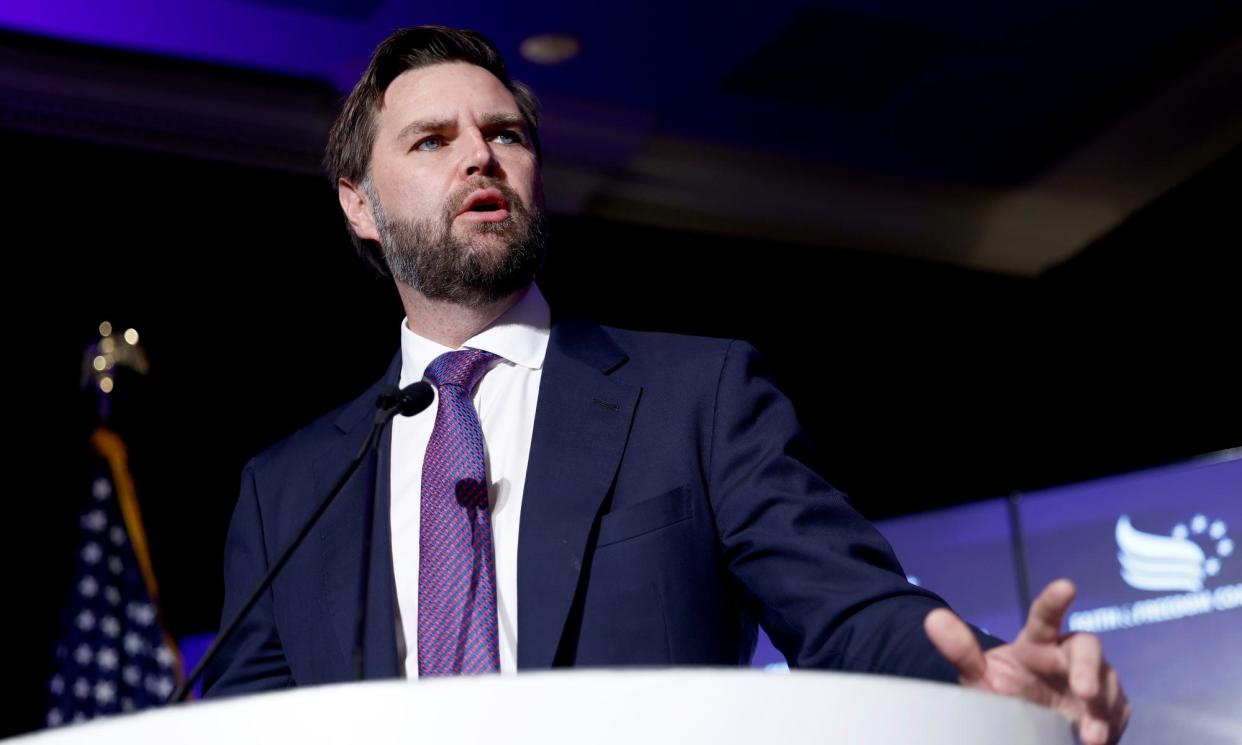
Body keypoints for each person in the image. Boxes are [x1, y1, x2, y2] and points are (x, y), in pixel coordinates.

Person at [202, 25, 1129, 745]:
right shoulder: (287, 492)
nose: (480, 157)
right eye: (433, 140)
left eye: (505, 133)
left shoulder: (698, 396)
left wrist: (978, 682)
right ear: (359, 203)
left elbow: (847, 608)